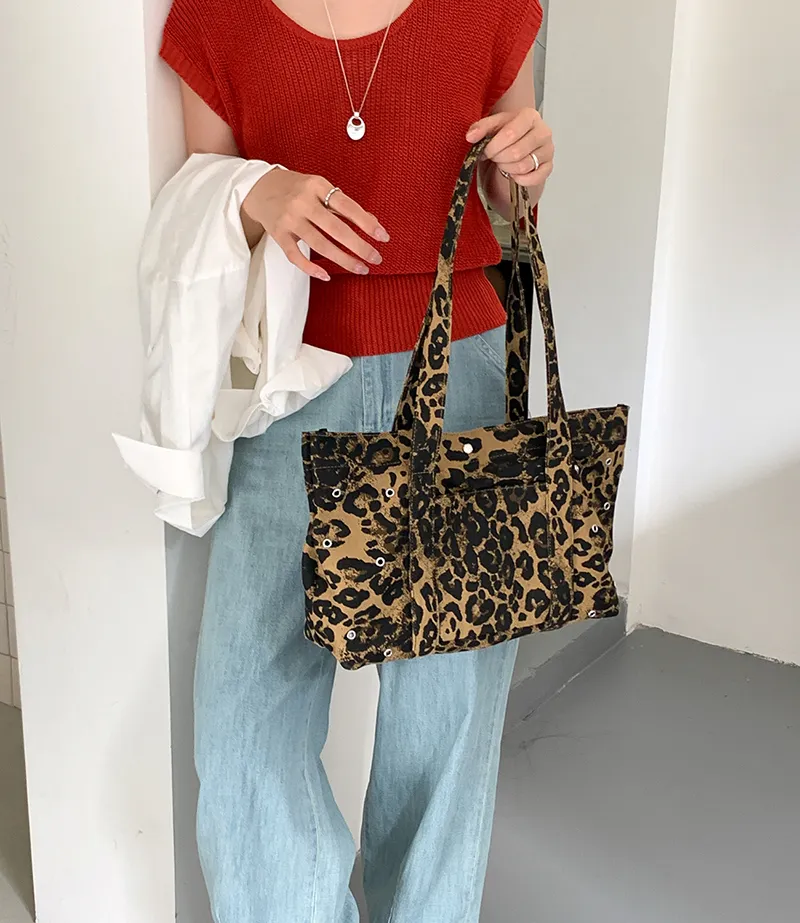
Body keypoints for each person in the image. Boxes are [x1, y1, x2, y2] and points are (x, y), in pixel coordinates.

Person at [159, 1, 554, 920]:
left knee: (446, 710)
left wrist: (527, 165)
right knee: (246, 712)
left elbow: (512, 199)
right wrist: (254, 192)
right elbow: (201, 197)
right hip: (288, 387)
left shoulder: (489, 7)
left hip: (457, 377)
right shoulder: (216, 17)